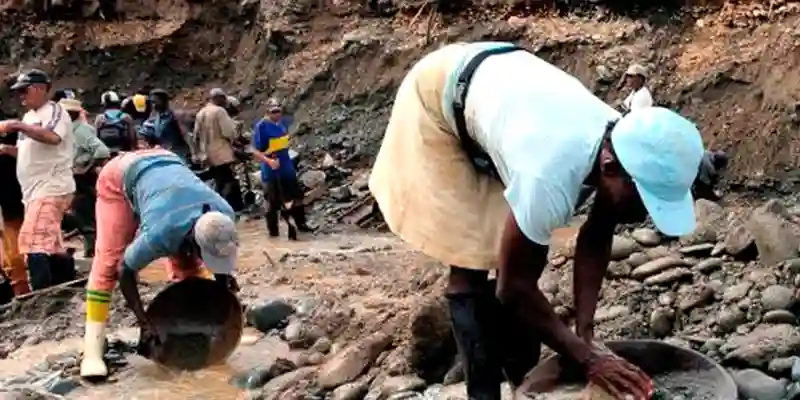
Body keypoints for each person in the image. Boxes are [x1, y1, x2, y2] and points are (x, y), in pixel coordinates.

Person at [368, 42, 705, 399]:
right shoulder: (549, 174)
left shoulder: (620, 141)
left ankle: (522, 378)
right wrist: (586, 359)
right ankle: (484, 393)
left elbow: (596, 234)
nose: (645, 214)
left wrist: (585, 337)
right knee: (472, 260)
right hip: (438, 96)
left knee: (515, 250)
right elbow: (513, 287)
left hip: (504, 88)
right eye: (644, 200)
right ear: (609, 168)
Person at [79, 148, 240, 379]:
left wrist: (224, 300)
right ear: (191, 238)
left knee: (189, 268)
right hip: (120, 176)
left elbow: (221, 263)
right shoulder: (161, 234)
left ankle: (199, 321)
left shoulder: (224, 215)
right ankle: (92, 350)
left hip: (169, 163)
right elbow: (125, 270)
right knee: (109, 263)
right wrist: (144, 322)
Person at [0, 69, 77, 291]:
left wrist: (16, 125)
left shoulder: (54, 111)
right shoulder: (30, 117)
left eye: (24, 91)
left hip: (51, 186)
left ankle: (42, 294)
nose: (21, 96)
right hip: (33, 190)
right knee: (50, 242)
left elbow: (53, 138)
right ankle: (65, 284)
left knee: (32, 240)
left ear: (41, 89)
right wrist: (7, 149)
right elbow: (28, 151)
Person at [252, 98, 311, 237]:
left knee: (296, 196)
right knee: (272, 202)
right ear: (267, 112)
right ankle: (273, 232)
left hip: (286, 167)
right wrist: (269, 161)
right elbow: (255, 151)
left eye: (279, 111)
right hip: (271, 169)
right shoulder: (261, 127)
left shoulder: (281, 124)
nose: (277, 114)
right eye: (274, 112)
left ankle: (301, 224)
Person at [63, 98, 110, 258]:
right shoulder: (73, 130)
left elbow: (102, 151)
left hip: (82, 177)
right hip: (78, 175)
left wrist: (86, 168)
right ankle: (93, 249)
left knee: (83, 212)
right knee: (84, 212)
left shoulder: (81, 131)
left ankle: (94, 250)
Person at [194, 88, 245, 213]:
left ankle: (217, 206)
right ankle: (231, 207)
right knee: (228, 180)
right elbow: (228, 132)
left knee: (219, 179)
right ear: (217, 98)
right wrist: (238, 140)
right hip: (222, 153)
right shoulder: (219, 111)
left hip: (207, 155)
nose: (224, 101)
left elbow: (196, 135)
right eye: (223, 98)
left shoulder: (201, 113)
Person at [0, 130, 28, 296]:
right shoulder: (25, 156)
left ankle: (20, 288)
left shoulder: (5, 158)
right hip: (28, 202)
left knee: (13, 250)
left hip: (10, 209)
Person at [148, 89, 193, 164]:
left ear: (164, 101)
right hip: (166, 156)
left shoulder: (175, 115)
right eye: (152, 102)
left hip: (180, 155)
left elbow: (186, 135)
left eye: (156, 102)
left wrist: (194, 153)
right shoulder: (156, 117)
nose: (154, 105)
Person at [94, 90, 137, 156]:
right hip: (123, 152)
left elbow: (97, 138)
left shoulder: (100, 118)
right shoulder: (126, 117)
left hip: (107, 153)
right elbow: (132, 138)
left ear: (104, 104)